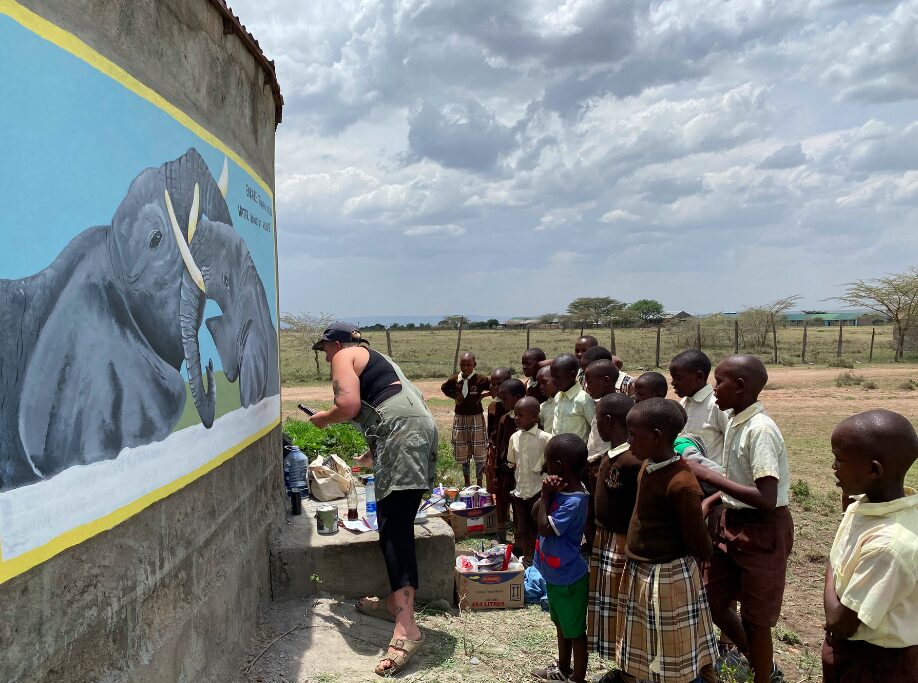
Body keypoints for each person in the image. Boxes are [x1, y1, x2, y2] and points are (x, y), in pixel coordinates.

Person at [308, 322, 436, 677]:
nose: (328, 357)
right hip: (417, 432)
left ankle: (407, 626)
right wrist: (374, 452)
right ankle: (397, 603)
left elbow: (347, 405)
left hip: (402, 436)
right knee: (393, 522)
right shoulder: (382, 360)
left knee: (395, 529)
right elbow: (407, 403)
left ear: (334, 344)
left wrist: (324, 419)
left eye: (325, 350)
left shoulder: (344, 355)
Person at [688, 355, 792, 683]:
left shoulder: (759, 430)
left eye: (720, 381)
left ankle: (763, 673)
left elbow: (765, 497)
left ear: (742, 386)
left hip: (761, 529)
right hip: (731, 520)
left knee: (756, 618)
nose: (714, 387)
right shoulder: (735, 418)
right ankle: (761, 662)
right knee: (714, 600)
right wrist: (713, 500)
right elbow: (739, 478)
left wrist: (705, 475)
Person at [617, 398, 718, 683]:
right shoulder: (648, 465)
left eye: (633, 435)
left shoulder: (681, 483)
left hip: (667, 576)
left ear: (657, 437)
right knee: (649, 643)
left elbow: (699, 540)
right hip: (643, 568)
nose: (628, 441)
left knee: (674, 650)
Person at [822, 409, 918, 682]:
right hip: (851, 651)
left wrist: (830, 568)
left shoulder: (890, 546)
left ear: (874, 470)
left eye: (839, 459)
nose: (833, 467)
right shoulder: (864, 505)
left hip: (878, 663)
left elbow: (841, 623)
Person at [531, 434, 591, 683]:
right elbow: (537, 514)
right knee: (562, 626)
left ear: (559, 465)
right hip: (556, 577)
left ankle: (577, 678)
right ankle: (563, 669)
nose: (545, 466)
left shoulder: (575, 501)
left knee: (575, 632)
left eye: (547, 461)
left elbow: (545, 527)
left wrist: (547, 497)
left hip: (570, 580)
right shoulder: (561, 493)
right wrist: (547, 494)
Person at [587, 394, 640, 674]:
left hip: (622, 544)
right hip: (605, 539)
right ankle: (622, 666)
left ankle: (629, 667)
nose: (596, 427)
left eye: (597, 421)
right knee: (608, 605)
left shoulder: (632, 461)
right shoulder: (610, 456)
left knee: (623, 606)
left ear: (608, 421)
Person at [507, 396, 551, 564]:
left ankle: (542, 559)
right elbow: (512, 462)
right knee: (523, 527)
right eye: (515, 415)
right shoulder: (514, 438)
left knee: (539, 527)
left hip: (539, 491)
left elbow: (548, 461)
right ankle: (527, 558)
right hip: (520, 491)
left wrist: (537, 468)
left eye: (520, 415)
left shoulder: (545, 438)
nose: (516, 418)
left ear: (534, 417)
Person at [670, 350, 728, 466]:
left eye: (678, 378)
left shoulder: (717, 405)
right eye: (672, 378)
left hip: (713, 479)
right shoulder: (683, 403)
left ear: (699, 377)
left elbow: (732, 444)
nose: (673, 383)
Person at [441, 352, 491, 487]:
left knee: (479, 450)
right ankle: (467, 482)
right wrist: (455, 396)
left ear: (474, 365)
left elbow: (495, 387)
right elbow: (444, 388)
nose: (465, 368)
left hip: (476, 418)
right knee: (463, 449)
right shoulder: (454, 379)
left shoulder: (481, 379)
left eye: (468, 365)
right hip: (460, 418)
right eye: (462, 365)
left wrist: (483, 396)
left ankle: (480, 482)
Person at [493, 378, 527, 543]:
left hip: (523, 471)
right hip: (506, 470)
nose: (501, 401)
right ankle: (502, 534)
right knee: (504, 498)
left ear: (517, 398)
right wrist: (497, 470)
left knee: (518, 504)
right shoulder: (504, 419)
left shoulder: (532, 420)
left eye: (504, 398)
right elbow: (500, 447)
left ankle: (520, 540)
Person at [550, 354, 595, 443]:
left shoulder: (583, 400)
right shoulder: (558, 396)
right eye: (552, 376)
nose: (553, 380)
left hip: (575, 454)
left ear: (572, 375)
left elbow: (594, 429)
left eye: (557, 377)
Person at [486, 367, 512, 494]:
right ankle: (495, 512)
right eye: (493, 384)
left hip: (508, 451)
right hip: (494, 449)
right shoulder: (492, 406)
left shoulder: (513, 406)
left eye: (499, 384)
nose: (495, 387)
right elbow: (490, 430)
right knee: (494, 486)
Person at [537, 366, 559, 433]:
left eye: (544, 382)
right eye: (539, 384)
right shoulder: (543, 407)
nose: (541, 387)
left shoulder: (572, 401)